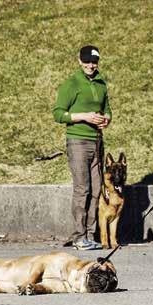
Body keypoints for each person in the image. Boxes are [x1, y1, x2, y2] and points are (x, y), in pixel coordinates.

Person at [53, 45, 111, 250]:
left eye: (94, 61)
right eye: (87, 61)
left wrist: (106, 120)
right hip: (78, 141)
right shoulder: (71, 83)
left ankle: (90, 233)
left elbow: (106, 109)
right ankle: (78, 236)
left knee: (96, 188)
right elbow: (58, 114)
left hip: (97, 141)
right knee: (82, 188)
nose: (90, 65)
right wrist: (84, 117)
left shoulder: (101, 83)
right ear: (79, 61)